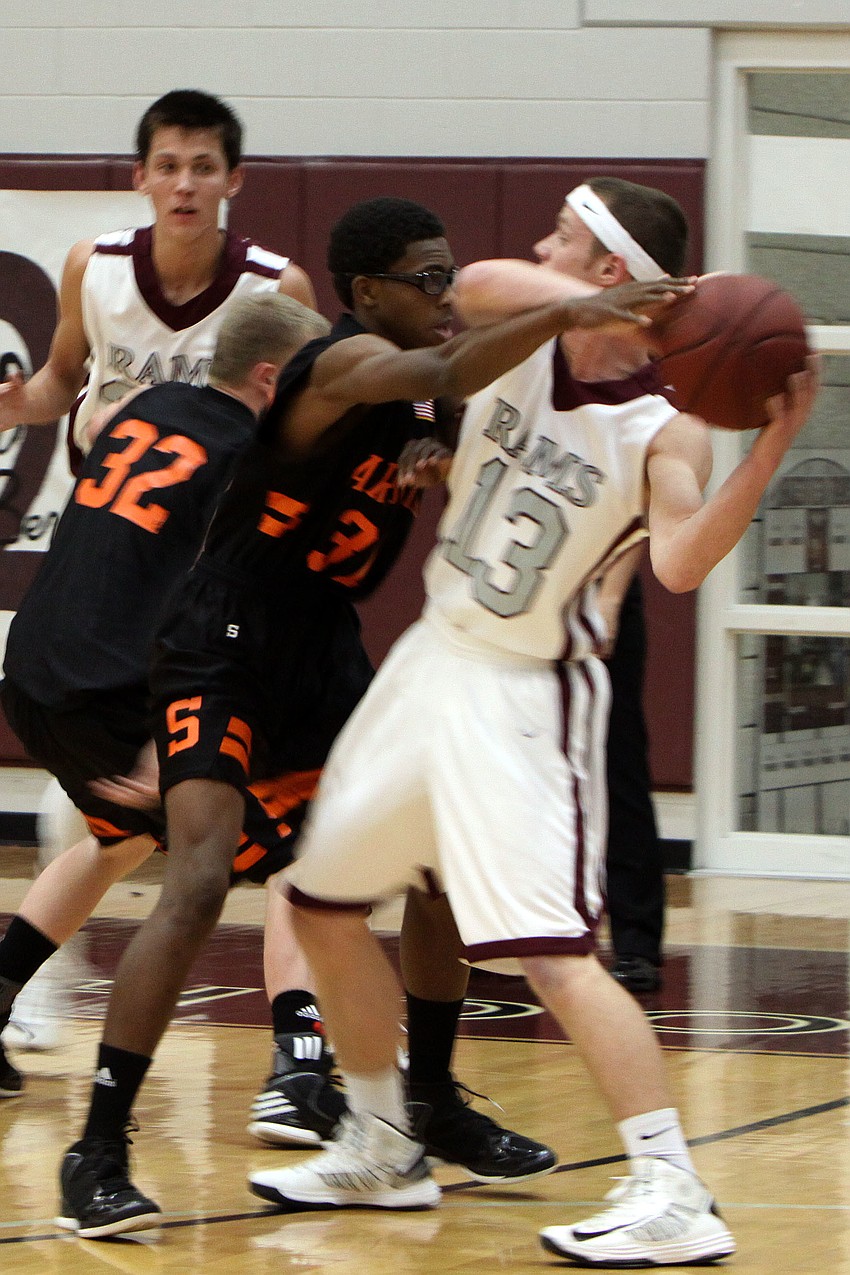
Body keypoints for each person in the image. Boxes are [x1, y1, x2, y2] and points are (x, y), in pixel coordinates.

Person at [52, 196, 671, 1241]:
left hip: (320, 649)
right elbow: (439, 372)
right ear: (366, 292)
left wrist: (449, 461)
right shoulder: (339, 367)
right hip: (224, 639)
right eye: (423, 281)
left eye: (447, 277)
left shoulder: (423, 401)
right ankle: (98, 1146)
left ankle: (422, 1104)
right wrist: (574, 314)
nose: (445, 296)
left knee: (430, 872)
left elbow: (465, 421)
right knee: (200, 878)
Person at [245, 179, 816, 1267]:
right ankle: (379, 1140)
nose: (538, 245)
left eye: (566, 235)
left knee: (554, 956)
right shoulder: (518, 331)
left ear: (610, 263)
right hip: (430, 661)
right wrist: (598, 300)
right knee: (320, 905)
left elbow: (686, 565)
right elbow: (479, 279)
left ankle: (671, 1186)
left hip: (524, 698)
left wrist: (771, 447)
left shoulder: (667, 426)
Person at [0, 87, 316, 1060]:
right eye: (167, 165)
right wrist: (12, 404)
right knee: (182, 817)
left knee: (123, 818)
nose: (184, 183)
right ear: (140, 176)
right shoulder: (93, 270)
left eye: (203, 166)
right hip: (116, 553)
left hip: (206, 561)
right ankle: (298, 1059)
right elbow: (61, 381)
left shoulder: (276, 288)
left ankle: (29, 983)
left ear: (233, 181)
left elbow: (300, 420)